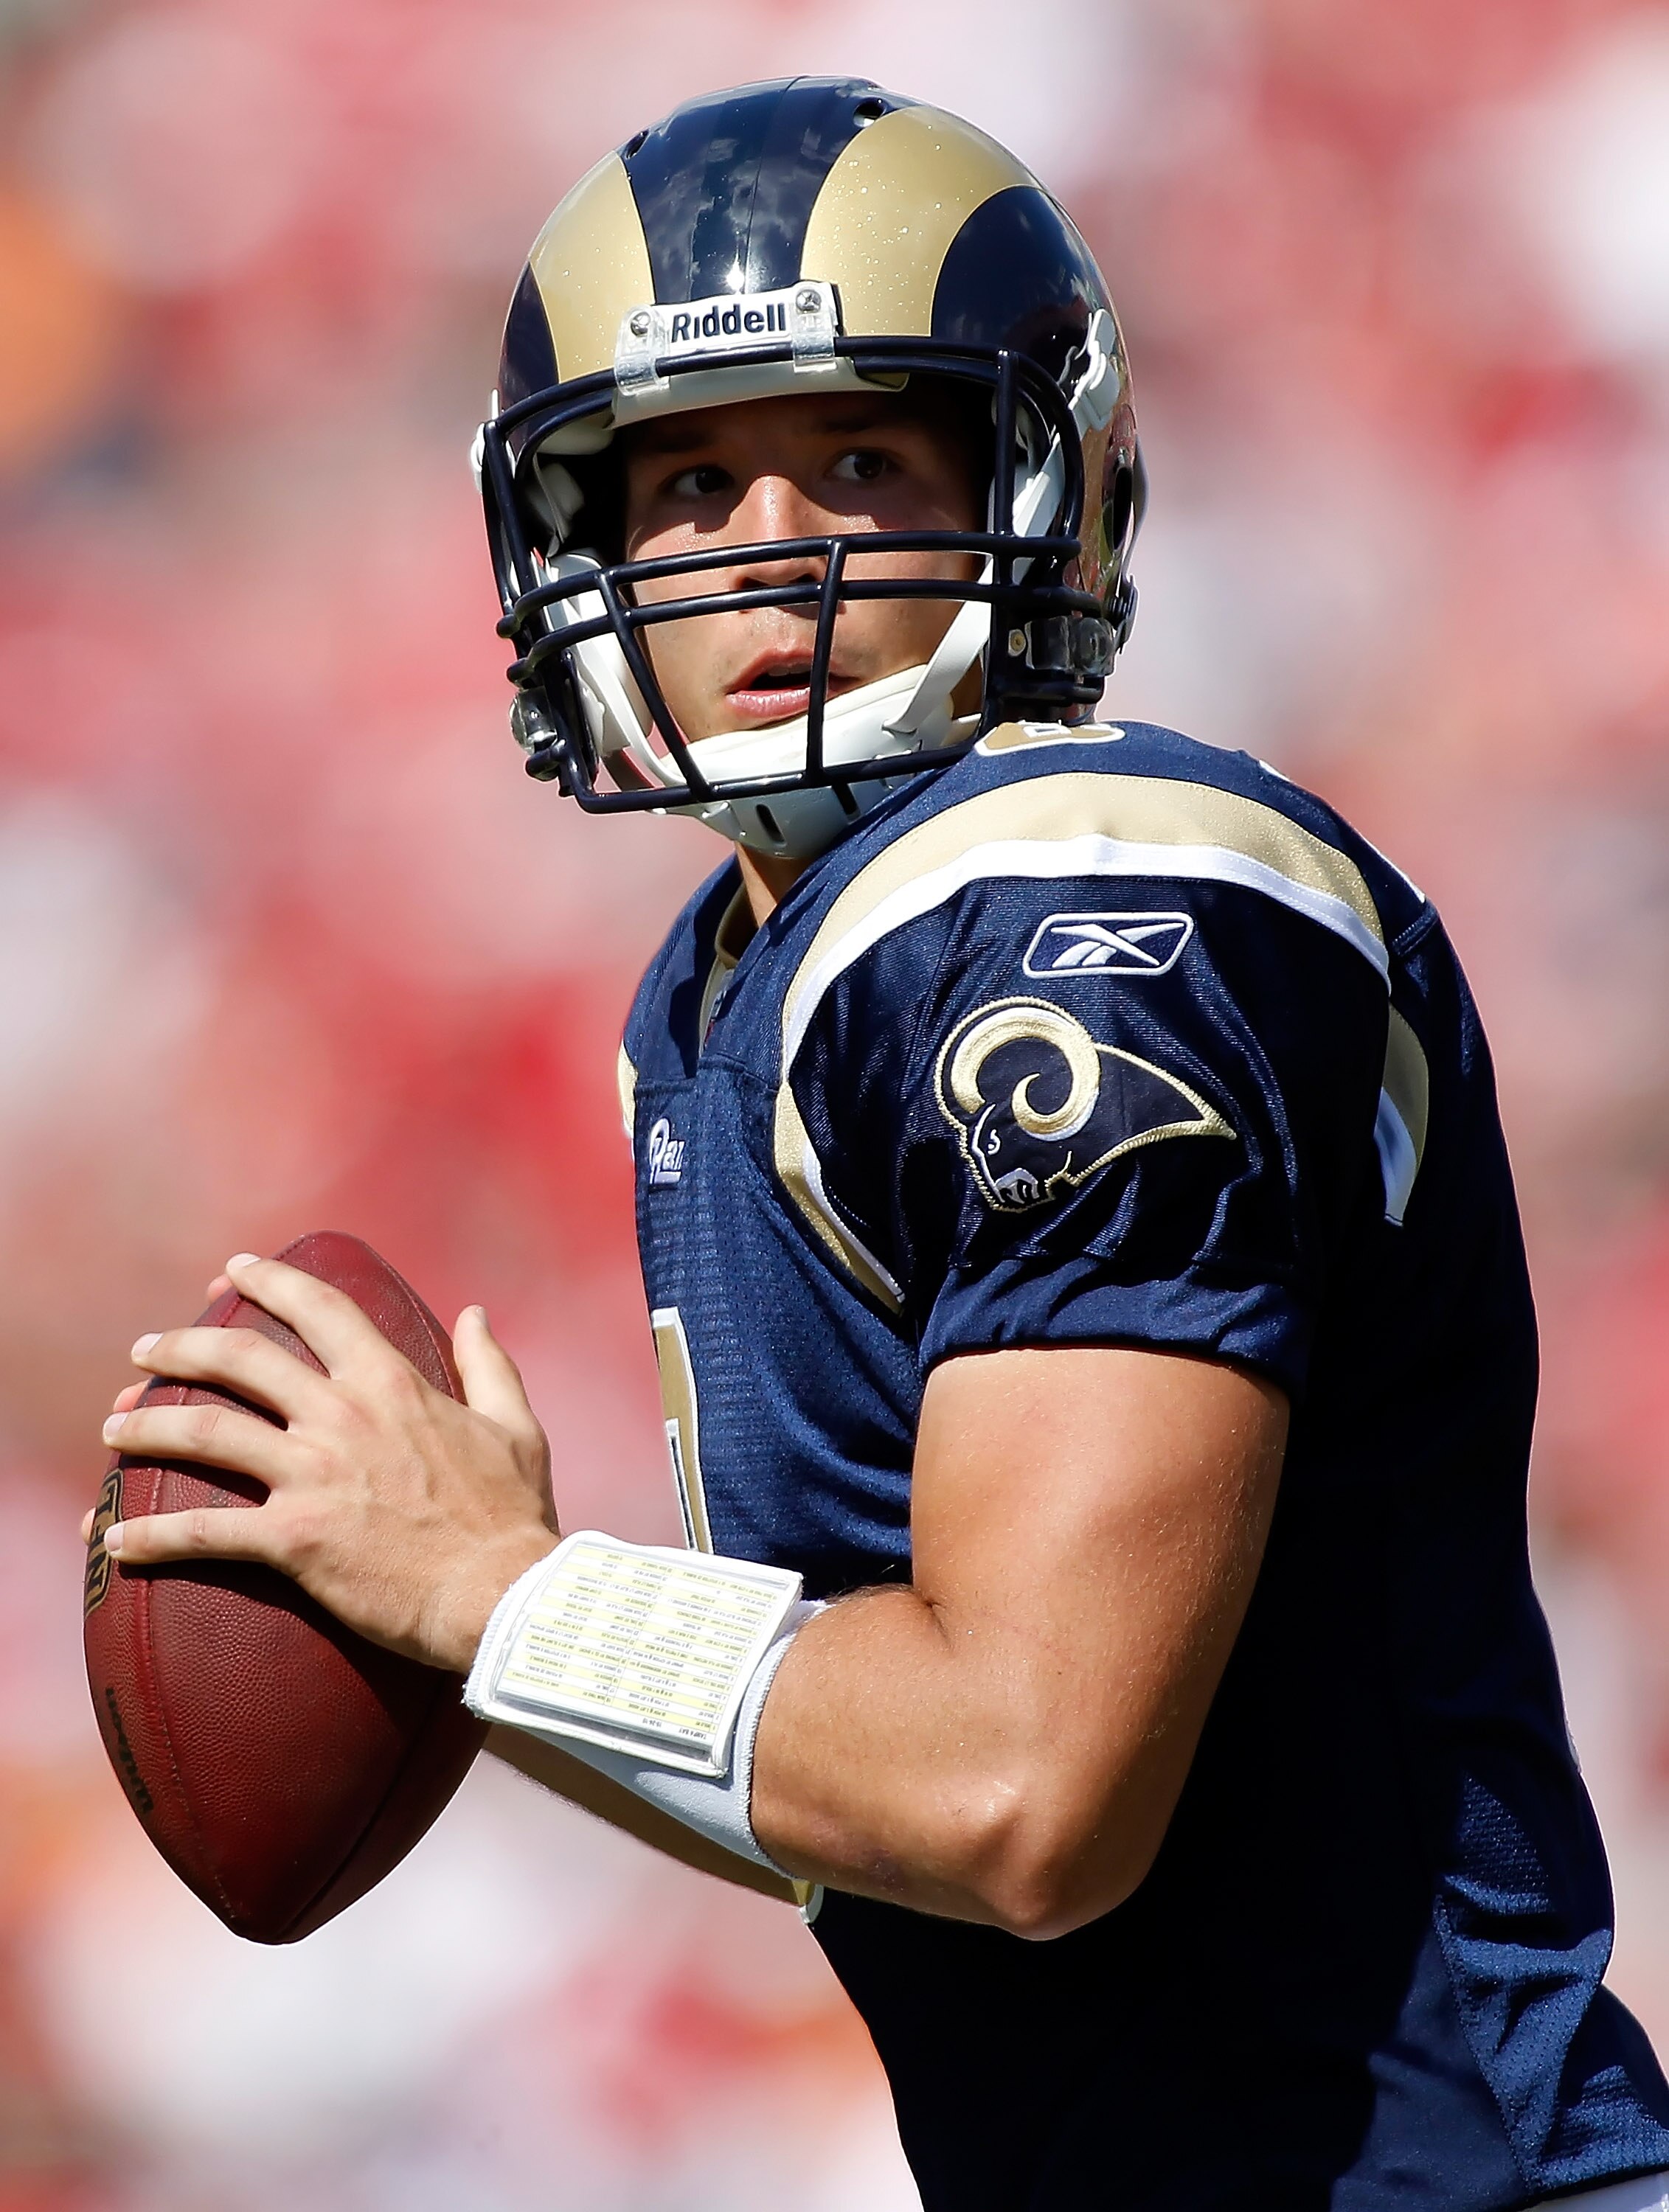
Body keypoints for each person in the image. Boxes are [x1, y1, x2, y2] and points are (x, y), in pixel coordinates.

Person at [87, 78, 1669, 2211]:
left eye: (853, 458)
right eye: (687, 484)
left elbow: (1024, 1784)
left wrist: (503, 1595)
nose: (772, 550)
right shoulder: (730, 983)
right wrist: (490, 1629)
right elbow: (876, 1783)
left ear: (1043, 483)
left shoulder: (1084, 913)